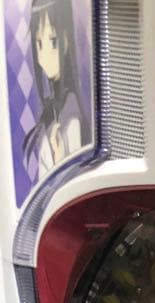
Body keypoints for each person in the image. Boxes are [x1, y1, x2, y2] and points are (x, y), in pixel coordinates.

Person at [23, 0, 87, 180]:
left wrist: (60, 163)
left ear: (66, 40)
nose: (44, 56)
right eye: (39, 44)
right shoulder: (55, 108)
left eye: (53, 41)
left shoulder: (72, 114)